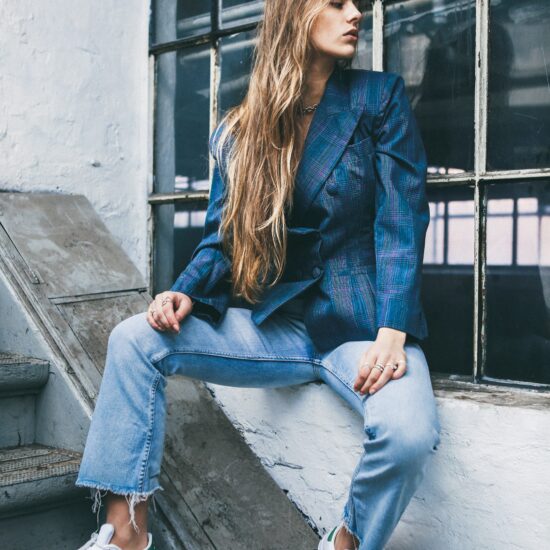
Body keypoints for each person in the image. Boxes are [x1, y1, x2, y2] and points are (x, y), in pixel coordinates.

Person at [77, 1, 441, 549]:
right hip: (277, 328)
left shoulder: (377, 97)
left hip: (366, 332)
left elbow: (400, 218)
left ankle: (346, 541)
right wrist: (183, 292)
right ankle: (125, 533)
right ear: (295, 13)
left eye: (358, 4)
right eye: (337, 3)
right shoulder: (243, 127)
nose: (356, 14)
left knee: (408, 433)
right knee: (134, 339)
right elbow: (222, 239)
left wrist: (393, 329)